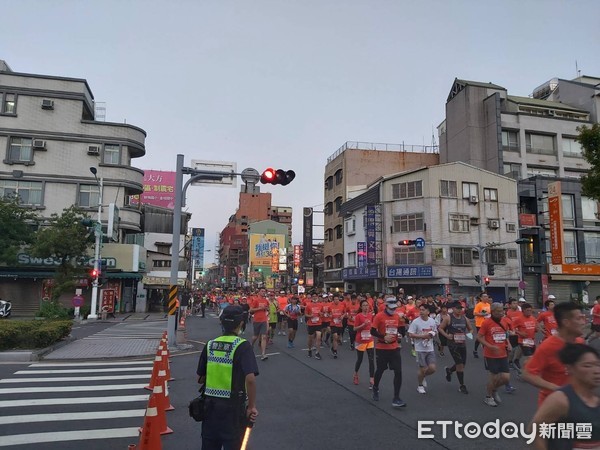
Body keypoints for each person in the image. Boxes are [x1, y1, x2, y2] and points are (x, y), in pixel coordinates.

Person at [196, 305, 259, 450]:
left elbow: (199, 378)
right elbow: (250, 379)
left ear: (221, 322)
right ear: (241, 323)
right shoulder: (243, 346)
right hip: (233, 409)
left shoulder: (210, 345)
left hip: (209, 409)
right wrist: (252, 407)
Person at [530, 343, 600, 450]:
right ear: (570, 368)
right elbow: (534, 431)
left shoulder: (596, 400)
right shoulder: (561, 400)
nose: (596, 371)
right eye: (587, 366)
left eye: (598, 365)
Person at [522, 302, 587, 406]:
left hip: (576, 402)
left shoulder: (580, 342)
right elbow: (528, 374)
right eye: (579, 318)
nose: (584, 322)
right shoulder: (548, 347)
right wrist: (558, 389)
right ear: (566, 322)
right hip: (553, 406)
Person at [371, 297, 406, 408]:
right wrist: (383, 336)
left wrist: (400, 335)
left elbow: (400, 328)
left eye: (394, 308)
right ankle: (375, 388)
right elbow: (373, 331)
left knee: (398, 372)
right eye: (391, 308)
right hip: (382, 347)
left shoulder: (397, 316)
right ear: (386, 306)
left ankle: (396, 397)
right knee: (380, 370)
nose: (393, 310)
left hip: (394, 347)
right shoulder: (379, 316)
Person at [477, 302, 512, 407]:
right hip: (491, 355)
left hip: (503, 353)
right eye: (499, 311)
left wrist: (509, 344)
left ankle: (493, 389)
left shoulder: (504, 321)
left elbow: (505, 334)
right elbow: (479, 337)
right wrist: (490, 346)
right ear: (492, 312)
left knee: (506, 378)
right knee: (494, 377)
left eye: (502, 311)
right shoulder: (487, 323)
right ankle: (488, 397)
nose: (501, 313)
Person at [439, 301, 474, 394]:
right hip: (452, 344)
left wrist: (469, 334)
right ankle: (462, 386)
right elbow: (440, 328)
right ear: (453, 309)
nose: (459, 310)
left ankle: (449, 370)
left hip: (462, 343)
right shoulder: (448, 318)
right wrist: (447, 336)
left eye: (461, 308)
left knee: (463, 364)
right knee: (459, 365)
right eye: (457, 308)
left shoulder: (464, 318)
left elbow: (471, 329)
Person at [408, 304, 438, 394]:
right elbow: (410, 334)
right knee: (422, 368)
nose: (421, 311)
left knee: (432, 368)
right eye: (420, 310)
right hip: (420, 348)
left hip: (430, 348)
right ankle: (420, 385)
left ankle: (423, 376)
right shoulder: (416, 322)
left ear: (428, 312)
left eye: (423, 310)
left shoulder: (432, 321)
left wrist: (432, 334)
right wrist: (422, 336)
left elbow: (435, 331)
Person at [512, 302, 538, 375]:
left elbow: (535, 328)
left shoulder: (533, 318)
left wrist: (536, 329)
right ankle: (522, 372)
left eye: (530, 310)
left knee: (533, 358)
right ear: (523, 311)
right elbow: (512, 328)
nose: (529, 312)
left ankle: (516, 362)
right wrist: (520, 333)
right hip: (523, 341)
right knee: (530, 358)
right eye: (527, 310)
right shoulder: (519, 319)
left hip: (531, 340)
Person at [353, 299, 374, 388]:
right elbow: (354, 329)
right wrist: (363, 325)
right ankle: (356, 374)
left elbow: (373, 326)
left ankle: (371, 379)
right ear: (361, 307)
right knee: (360, 360)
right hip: (360, 340)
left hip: (369, 340)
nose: (366, 307)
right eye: (364, 305)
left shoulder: (371, 315)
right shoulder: (358, 316)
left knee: (371, 360)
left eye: (367, 305)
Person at [249, 290, 270, 361]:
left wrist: (267, 309)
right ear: (259, 293)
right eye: (262, 291)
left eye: (264, 291)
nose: (264, 292)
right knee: (255, 336)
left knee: (264, 336)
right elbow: (250, 310)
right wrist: (259, 308)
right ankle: (251, 345)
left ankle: (263, 354)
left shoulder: (266, 300)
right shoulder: (255, 300)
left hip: (264, 320)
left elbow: (268, 308)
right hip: (256, 320)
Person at [472, 293, 492, 359]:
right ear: (481, 298)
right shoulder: (479, 305)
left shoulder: (488, 305)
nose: (486, 298)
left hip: (488, 323)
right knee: (479, 338)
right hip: (480, 324)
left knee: (487, 337)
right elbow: (475, 313)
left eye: (487, 296)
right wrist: (483, 314)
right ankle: (475, 350)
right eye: (485, 296)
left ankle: (486, 352)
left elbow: (489, 313)